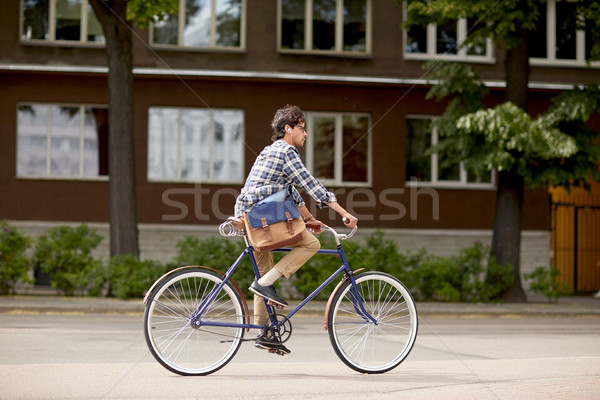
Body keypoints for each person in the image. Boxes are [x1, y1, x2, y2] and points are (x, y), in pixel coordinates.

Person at [234, 104, 358, 354]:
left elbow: (291, 190)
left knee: (264, 275)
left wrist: (310, 218)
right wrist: (344, 213)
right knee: (311, 244)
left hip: (250, 217)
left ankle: (266, 333)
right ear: (288, 129)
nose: (306, 134)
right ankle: (265, 285)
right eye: (302, 128)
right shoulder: (287, 151)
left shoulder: (270, 151)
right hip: (261, 217)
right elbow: (309, 184)